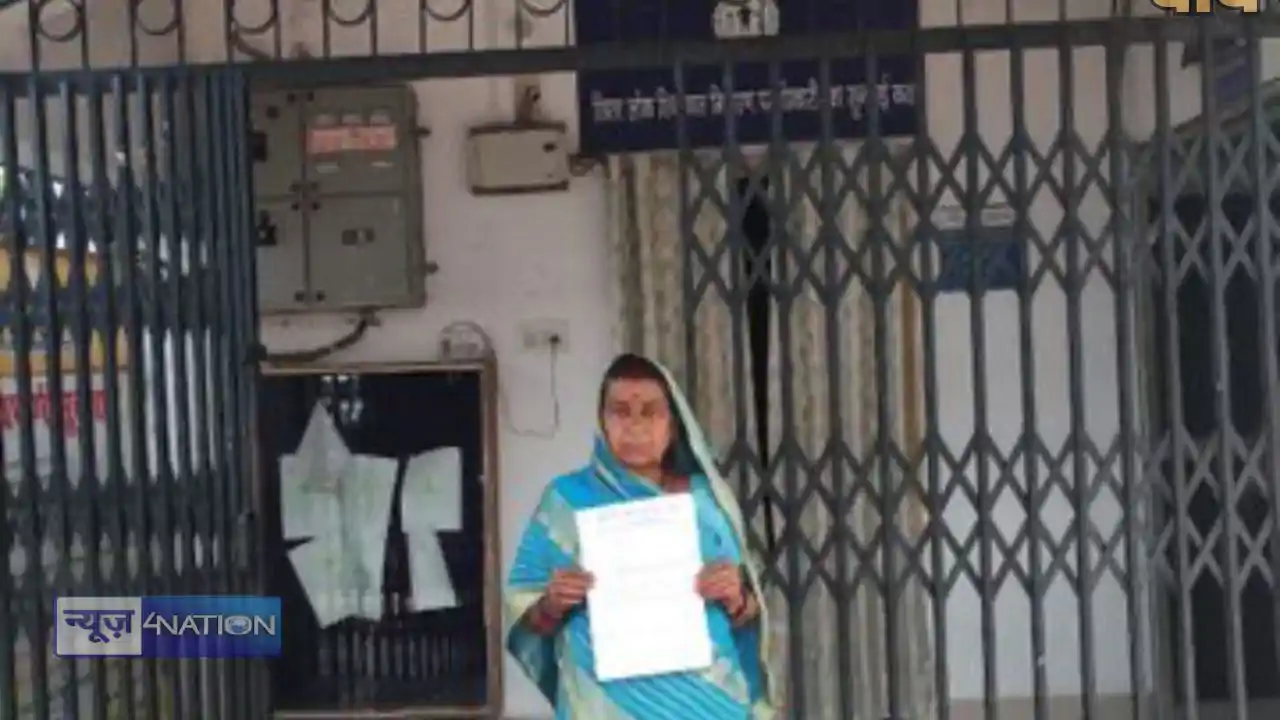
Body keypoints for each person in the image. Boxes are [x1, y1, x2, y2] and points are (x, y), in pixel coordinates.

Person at [504, 353, 779, 719]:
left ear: (673, 425)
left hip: (707, 704)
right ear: (602, 421)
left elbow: (748, 615)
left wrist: (736, 597)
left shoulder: (706, 503)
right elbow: (523, 615)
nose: (635, 426)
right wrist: (552, 604)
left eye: (650, 412)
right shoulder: (565, 502)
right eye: (620, 411)